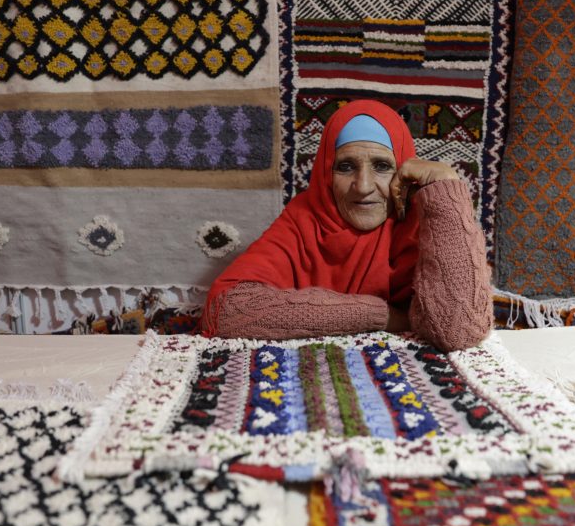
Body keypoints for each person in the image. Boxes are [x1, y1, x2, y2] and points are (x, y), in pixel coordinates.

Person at [200, 99, 493, 351]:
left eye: (381, 166)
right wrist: (387, 316)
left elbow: (459, 330)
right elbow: (227, 310)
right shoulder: (306, 218)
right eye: (345, 166)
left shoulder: (426, 223)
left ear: (404, 171)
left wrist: (445, 188)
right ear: (326, 173)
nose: (363, 186)